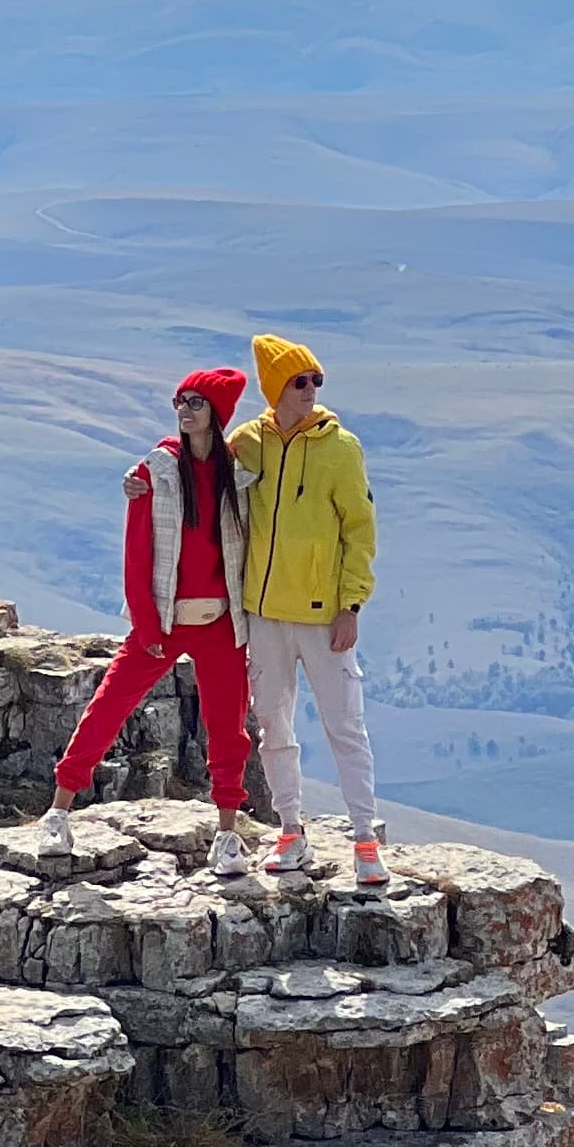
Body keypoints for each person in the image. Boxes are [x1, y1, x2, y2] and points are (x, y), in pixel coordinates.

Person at [40, 365, 254, 875]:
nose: (184, 409)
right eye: (180, 399)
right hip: (164, 620)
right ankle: (57, 812)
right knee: (109, 705)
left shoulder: (239, 474)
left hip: (223, 622)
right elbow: (137, 553)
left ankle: (227, 836)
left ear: (216, 415)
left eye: (195, 402)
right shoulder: (154, 473)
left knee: (228, 728)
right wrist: (147, 624)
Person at [233, 333, 388, 889]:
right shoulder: (249, 442)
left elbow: (359, 530)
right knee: (273, 726)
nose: (311, 389)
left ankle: (366, 840)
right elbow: (202, 475)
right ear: (275, 388)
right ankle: (290, 830)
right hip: (264, 615)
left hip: (324, 618)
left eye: (316, 380)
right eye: (300, 381)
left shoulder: (341, 448)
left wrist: (351, 604)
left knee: (346, 726)